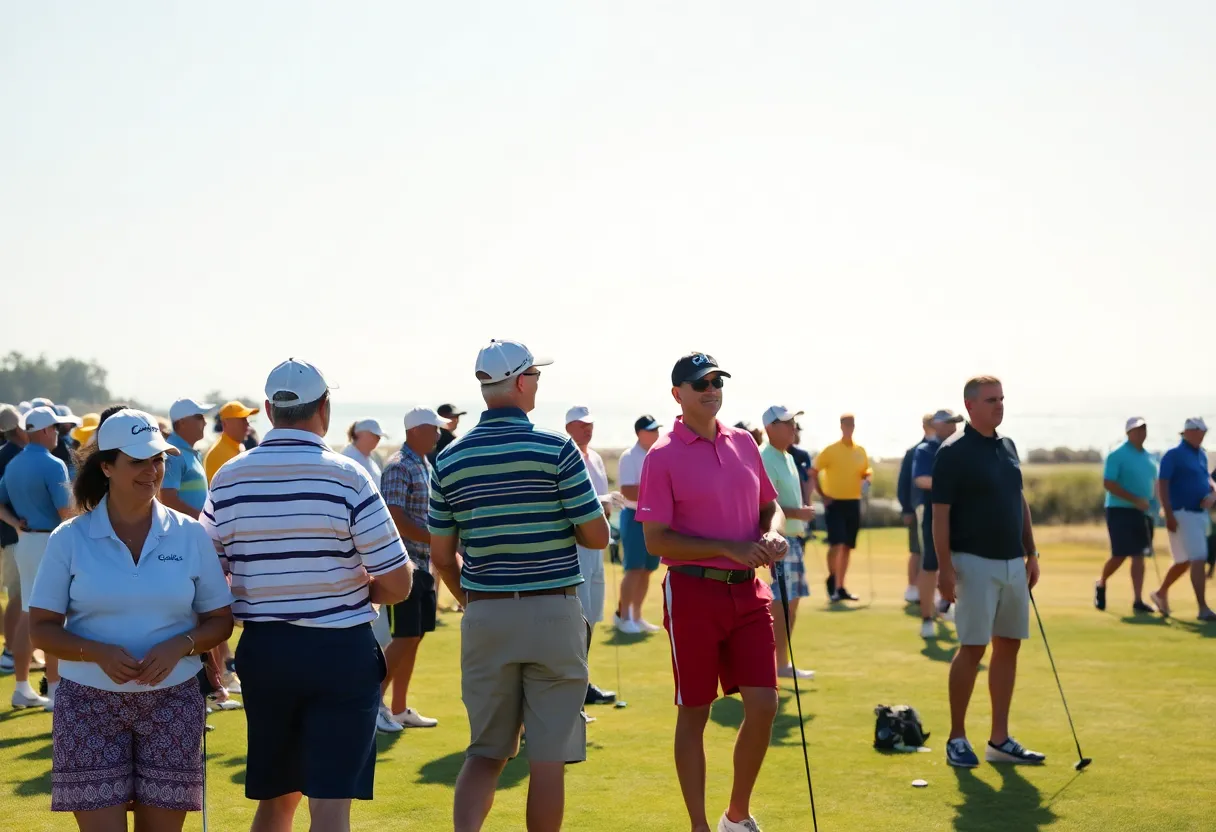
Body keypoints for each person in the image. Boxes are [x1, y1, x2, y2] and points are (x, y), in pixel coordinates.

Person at [200, 358, 414, 832]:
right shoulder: (348, 476)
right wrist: (360, 591)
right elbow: (399, 583)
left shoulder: (228, 478)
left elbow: (208, 578)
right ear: (325, 408)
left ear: (270, 412)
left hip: (266, 652)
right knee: (331, 805)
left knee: (277, 798)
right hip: (341, 650)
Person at [428, 338, 609, 832]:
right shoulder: (557, 447)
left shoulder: (450, 459)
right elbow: (597, 534)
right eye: (536, 376)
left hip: (486, 615)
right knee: (548, 760)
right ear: (522, 381)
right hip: (553, 613)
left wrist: (472, 599)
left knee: (486, 751)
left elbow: (442, 557)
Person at [27, 408, 235, 830]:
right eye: (138, 461)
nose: (152, 471)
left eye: (157, 459)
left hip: (174, 700)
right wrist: (95, 651)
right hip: (88, 703)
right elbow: (42, 628)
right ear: (106, 467)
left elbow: (220, 620)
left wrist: (183, 644)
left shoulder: (190, 533)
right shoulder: (69, 538)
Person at [638, 352, 788, 832]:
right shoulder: (661, 455)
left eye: (717, 380)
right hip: (692, 595)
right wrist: (728, 546)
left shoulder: (744, 441)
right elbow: (655, 539)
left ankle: (736, 816)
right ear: (678, 394)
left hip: (749, 594)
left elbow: (772, 507)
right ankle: (699, 826)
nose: (712, 388)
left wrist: (775, 533)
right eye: (701, 382)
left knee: (764, 705)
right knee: (695, 712)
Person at [933, 376, 1045, 768]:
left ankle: (999, 740)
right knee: (973, 648)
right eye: (991, 400)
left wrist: (1031, 552)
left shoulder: (1007, 446)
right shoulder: (952, 452)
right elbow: (940, 515)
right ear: (970, 406)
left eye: (1001, 399)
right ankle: (957, 737)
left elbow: (1019, 500)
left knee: (1009, 644)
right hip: (972, 562)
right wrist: (944, 569)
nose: (999, 405)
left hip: (1013, 561)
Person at [377, 406, 449, 733]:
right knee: (404, 637)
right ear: (416, 430)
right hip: (405, 564)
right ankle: (374, 705)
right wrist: (436, 538)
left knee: (415, 637)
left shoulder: (423, 464)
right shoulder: (398, 466)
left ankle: (399, 707)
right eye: (434, 429)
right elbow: (396, 518)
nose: (438, 435)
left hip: (423, 563)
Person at [0, 405, 77, 710]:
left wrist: (15, 522)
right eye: (55, 429)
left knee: (29, 612)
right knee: (53, 615)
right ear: (44, 431)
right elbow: (65, 513)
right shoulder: (53, 464)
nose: (57, 433)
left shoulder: (16, 463)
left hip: (25, 542)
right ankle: (56, 690)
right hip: (50, 542)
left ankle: (22, 687)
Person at [565, 405, 617, 712]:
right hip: (577, 547)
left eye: (590, 424)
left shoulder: (595, 458)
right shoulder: (567, 457)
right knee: (578, 617)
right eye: (582, 425)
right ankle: (573, 688)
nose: (588, 429)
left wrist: (606, 505)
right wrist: (602, 502)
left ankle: (582, 683)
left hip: (598, 547)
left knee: (593, 614)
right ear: (569, 426)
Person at [760, 405, 815, 680]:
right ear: (770, 428)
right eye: (787, 423)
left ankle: (781, 662)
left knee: (790, 603)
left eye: (794, 423)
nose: (793, 427)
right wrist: (798, 513)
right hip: (778, 542)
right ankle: (776, 664)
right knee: (779, 604)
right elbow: (766, 505)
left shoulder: (788, 458)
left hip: (793, 539)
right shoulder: (764, 457)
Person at [1149, 418, 1216, 621]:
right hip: (1181, 513)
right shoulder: (1174, 454)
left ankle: (1159, 594)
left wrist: (1212, 493)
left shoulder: (1201, 455)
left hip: (1198, 514)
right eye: (1199, 431)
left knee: (1183, 561)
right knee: (1198, 557)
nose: (1203, 434)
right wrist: (1168, 513)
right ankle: (1203, 608)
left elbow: (1208, 481)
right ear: (1188, 432)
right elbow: (1162, 484)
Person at [1094, 418, 1159, 614]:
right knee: (1120, 554)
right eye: (1137, 430)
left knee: (1139, 555)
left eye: (1144, 429)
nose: (1141, 433)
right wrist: (1134, 499)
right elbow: (1109, 483)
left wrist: (1151, 505)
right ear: (1128, 432)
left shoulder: (1148, 457)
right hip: (1119, 510)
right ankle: (1101, 582)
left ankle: (1138, 600)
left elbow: (1152, 484)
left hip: (1142, 512)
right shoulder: (1117, 455)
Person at [912, 409, 963, 638]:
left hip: (959, 514)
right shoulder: (926, 450)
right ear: (936, 425)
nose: (953, 427)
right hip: (933, 514)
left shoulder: (962, 448)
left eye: (955, 423)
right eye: (949, 423)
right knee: (930, 565)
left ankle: (946, 606)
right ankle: (926, 618)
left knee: (958, 565)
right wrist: (952, 484)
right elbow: (921, 479)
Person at [811, 414, 872, 602]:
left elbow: (866, 471)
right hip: (834, 503)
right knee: (836, 544)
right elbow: (813, 472)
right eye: (846, 424)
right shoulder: (830, 450)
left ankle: (840, 586)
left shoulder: (860, 450)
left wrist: (867, 478)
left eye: (852, 425)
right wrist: (822, 495)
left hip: (853, 502)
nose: (849, 428)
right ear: (841, 426)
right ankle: (832, 579)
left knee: (846, 546)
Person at [614, 414, 663, 633]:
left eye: (656, 430)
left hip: (655, 518)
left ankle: (636, 615)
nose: (656, 434)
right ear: (640, 433)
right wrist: (657, 492)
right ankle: (623, 618)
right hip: (634, 517)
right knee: (634, 568)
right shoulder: (629, 456)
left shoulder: (659, 455)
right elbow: (628, 491)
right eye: (651, 430)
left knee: (647, 569)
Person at [0, 404, 28, 675]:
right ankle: (10, 653)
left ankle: (13, 651)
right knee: (19, 597)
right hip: (16, 536)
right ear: (19, 428)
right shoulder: (14, 456)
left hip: (12, 535)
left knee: (18, 596)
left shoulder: (7, 454)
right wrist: (15, 523)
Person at [898, 415, 935, 604]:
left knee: (932, 551)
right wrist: (906, 508)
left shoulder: (942, 448)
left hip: (935, 509)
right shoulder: (913, 451)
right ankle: (912, 587)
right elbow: (904, 482)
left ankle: (930, 590)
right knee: (916, 550)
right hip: (916, 507)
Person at [160, 399, 215, 519]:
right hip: (182, 534)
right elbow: (167, 499)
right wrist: (202, 521)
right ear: (182, 423)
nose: (205, 423)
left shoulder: (188, 452)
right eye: (199, 417)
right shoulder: (173, 453)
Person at [203, 401, 258, 484]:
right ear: (225, 424)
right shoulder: (218, 453)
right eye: (242, 419)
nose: (247, 423)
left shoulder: (239, 446)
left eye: (247, 419)